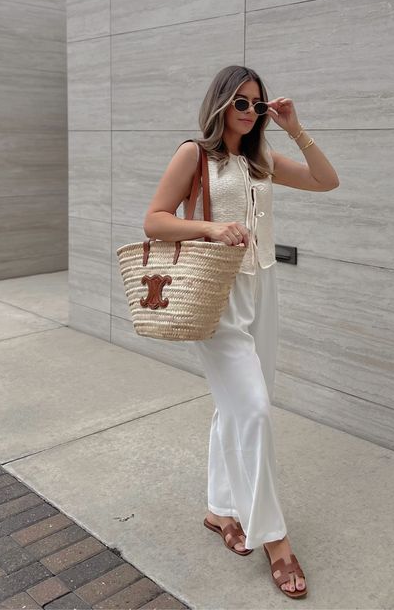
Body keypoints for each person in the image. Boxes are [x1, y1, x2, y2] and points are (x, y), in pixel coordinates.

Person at [143, 65, 340, 599]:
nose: (251, 112)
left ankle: (220, 509)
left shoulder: (263, 161)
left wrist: (295, 127)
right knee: (253, 409)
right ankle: (274, 540)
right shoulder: (195, 154)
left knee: (238, 406)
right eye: (242, 103)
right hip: (216, 295)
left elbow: (327, 180)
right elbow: (155, 219)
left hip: (264, 290)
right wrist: (209, 226)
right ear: (221, 104)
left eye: (258, 104)